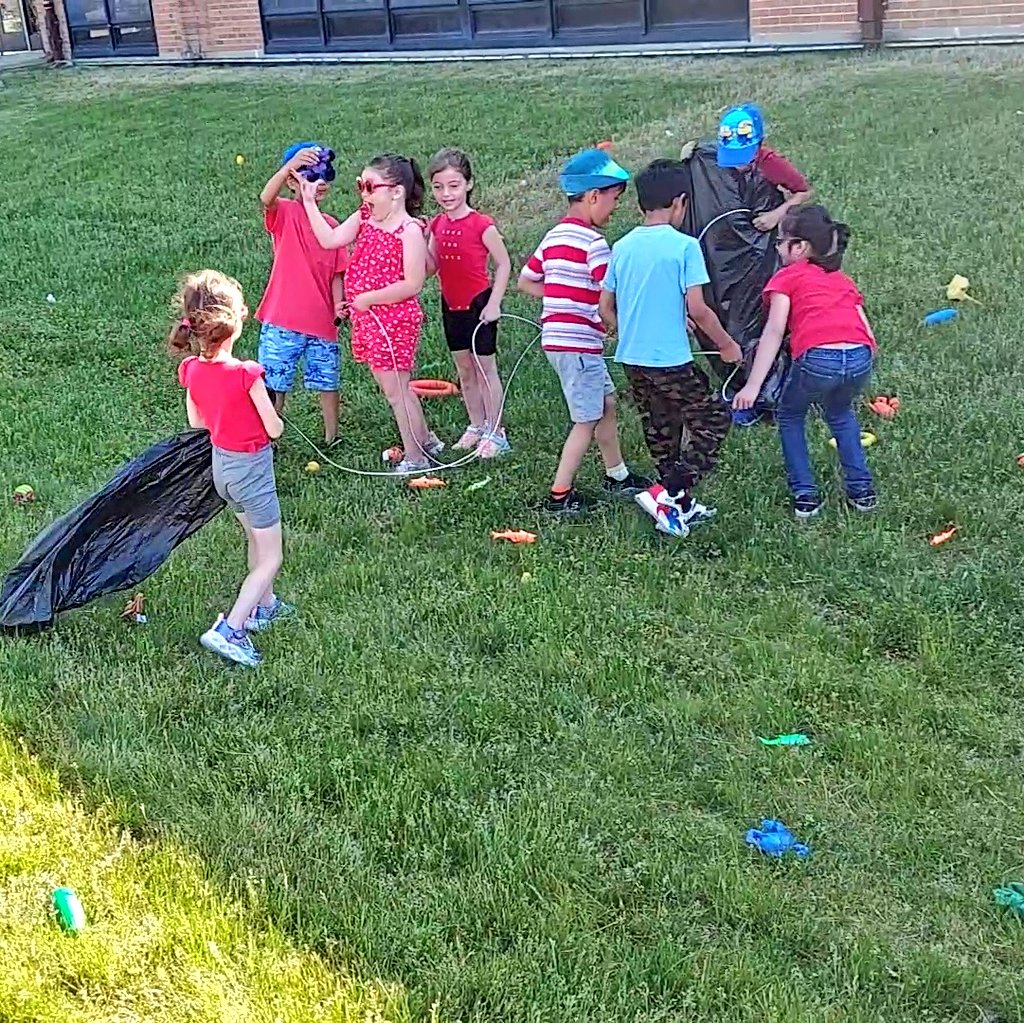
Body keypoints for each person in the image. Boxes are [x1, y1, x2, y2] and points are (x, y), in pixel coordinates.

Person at [600, 159, 743, 539]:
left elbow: (605, 307)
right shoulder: (685, 247)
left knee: (663, 428)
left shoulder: (623, 245)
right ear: (680, 202)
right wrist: (727, 346)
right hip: (671, 361)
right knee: (714, 419)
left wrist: (632, 330)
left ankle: (676, 509)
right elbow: (698, 308)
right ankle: (668, 492)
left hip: (631, 358)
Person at [169, 270, 291, 668]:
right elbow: (273, 429)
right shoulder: (246, 374)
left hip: (223, 472)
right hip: (252, 473)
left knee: (255, 537)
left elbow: (198, 422)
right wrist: (272, 418)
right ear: (234, 322)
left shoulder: (191, 370)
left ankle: (265, 605)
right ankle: (232, 629)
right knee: (271, 555)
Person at [518, 148, 650, 516]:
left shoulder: (555, 235)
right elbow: (611, 294)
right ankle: (559, 495)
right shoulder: (594, 243)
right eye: (613, 200)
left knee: (605, 404)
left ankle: (617, 475)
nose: (614, 209)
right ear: (594, 196)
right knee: (586, 419)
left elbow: (526, 281)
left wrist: (561, 297)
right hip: (577, 345)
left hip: (564, 341)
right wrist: (617, 322)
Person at [300, 153, 442, 475]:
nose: (364, 194)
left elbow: (413, 282)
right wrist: (310, 204)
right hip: (370, 319)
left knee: (397, 391)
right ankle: (425, 441)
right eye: (360, 186)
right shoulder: (365, 217)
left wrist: (369, 298)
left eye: (370, 187)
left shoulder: (408, 231)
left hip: (394, 319)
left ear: (396, 192)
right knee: (395, 386)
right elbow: (330, 239)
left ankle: (417, 458)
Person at [732, 204, 878, 519]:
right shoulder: (841, 279)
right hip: (859, 355)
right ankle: (862, 491)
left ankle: (805, 495)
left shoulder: (788, 277)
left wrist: (753, 385)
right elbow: (865, 327)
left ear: (800, 247)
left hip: (818, 357)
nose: (777, 248)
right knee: (840, 413)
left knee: (789, 414)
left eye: (781, 242)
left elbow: (773, 330)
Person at [716, 104, 813, 428]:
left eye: (744, 155)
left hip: (768, 248)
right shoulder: (723, 159)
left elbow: (804, 191)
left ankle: (771, 389)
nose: (739, 163)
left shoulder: (771, 163)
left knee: (769, 316)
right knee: (736, 314)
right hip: (739, 246)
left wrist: (778, 214)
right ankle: (744, 379)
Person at [256, 142, 347, 447]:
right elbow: (265, 197)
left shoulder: (332, 226)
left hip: (322, 322)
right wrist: (286, 167)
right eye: (309, 177)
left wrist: (338, 306)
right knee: (275, 381)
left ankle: (332, 436)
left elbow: (337, 271)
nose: (318, 184)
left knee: (327, 380)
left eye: (323, 178)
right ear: (293, 182)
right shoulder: (284, 212)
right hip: (282, 318)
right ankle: (270, 439)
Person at [426, 147, 513, 459]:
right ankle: (476, 425)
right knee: (464, 370)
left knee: (485, 368)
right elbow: (430, 267)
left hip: (479, 304)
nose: (446, 194)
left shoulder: (481, 224)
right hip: (451, 304)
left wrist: (495, 303)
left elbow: (504, 264)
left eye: (453, 185)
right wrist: (419, 239)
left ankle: (497, 431)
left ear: (469, 184)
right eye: (438, 187)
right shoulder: (436, 225)